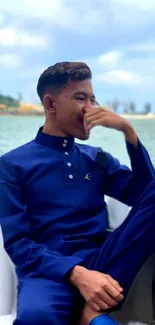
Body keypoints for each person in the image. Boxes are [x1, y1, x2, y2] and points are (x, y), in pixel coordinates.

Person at [0, 61, 155, 325]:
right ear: (50, 105)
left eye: (93, 99)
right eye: (80, 98)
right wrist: (76, 274)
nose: (90, 108)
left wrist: (129, 134)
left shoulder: (97, 158)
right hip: (48, 272)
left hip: (104, 260)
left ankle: (91, 311)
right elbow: (18, 244)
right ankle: (90, 312)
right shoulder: (13, 165)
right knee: (36, 318)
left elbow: (145, 199)